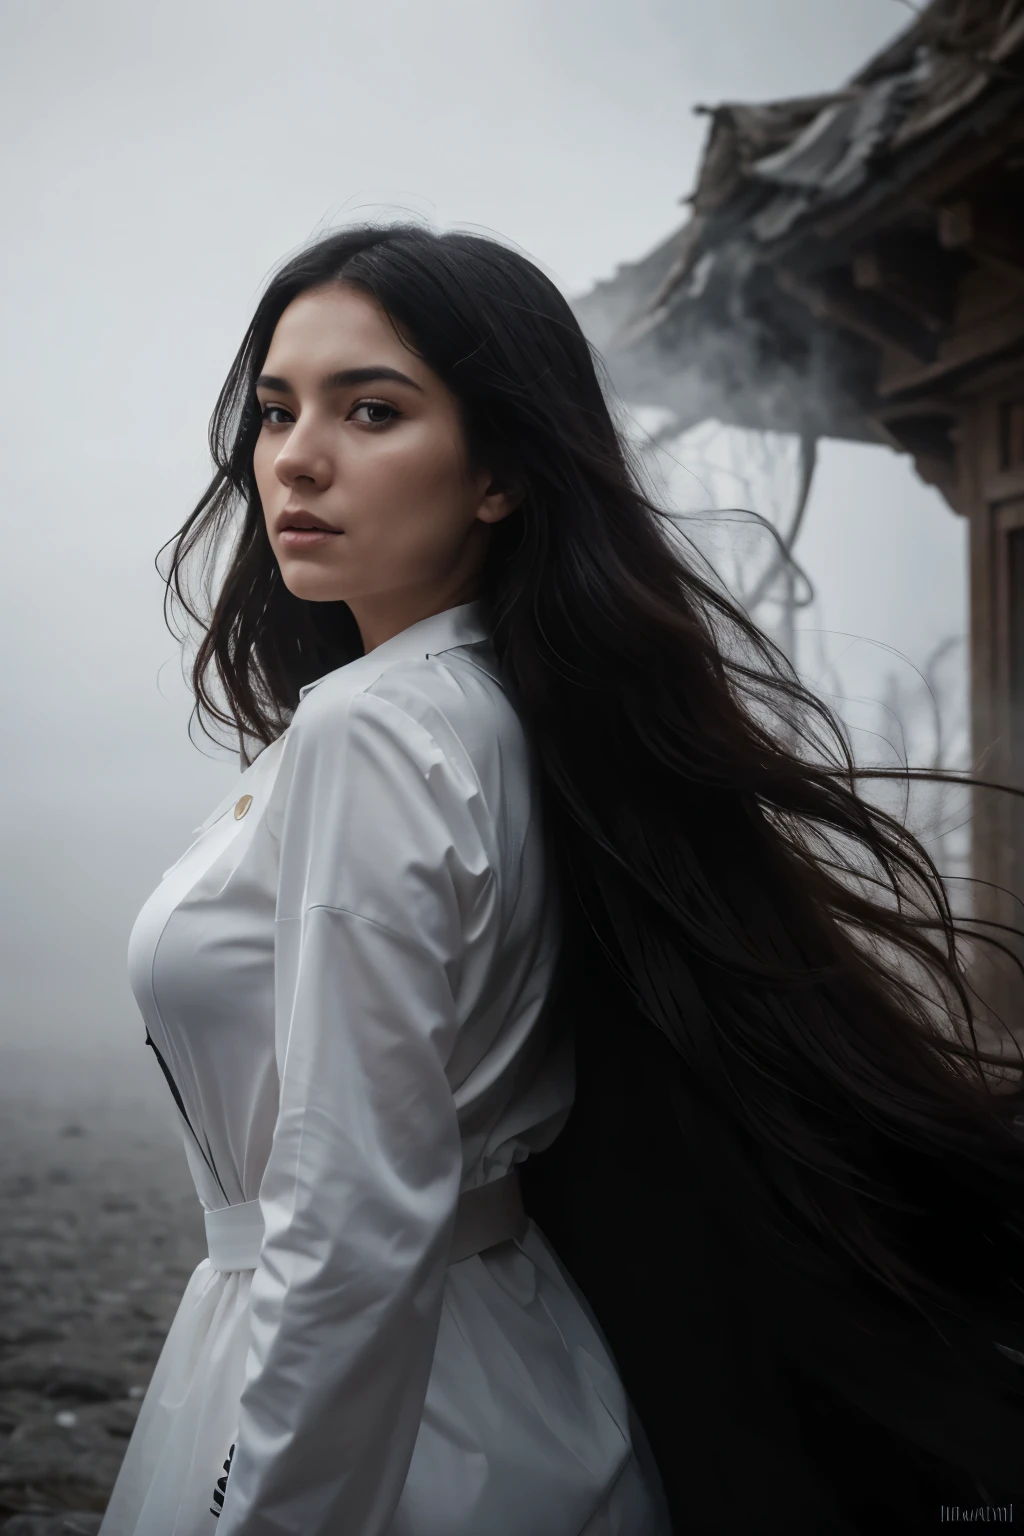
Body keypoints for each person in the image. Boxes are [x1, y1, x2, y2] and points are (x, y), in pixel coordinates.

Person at [99, 222, 1024, 1536]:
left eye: (372, 410)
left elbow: (355, 1213)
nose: (295, 456)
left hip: (382, 1418)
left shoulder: (378, 733)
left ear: (500, 474)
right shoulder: (503, 706)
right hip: (518, 1372)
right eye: (276, 408)